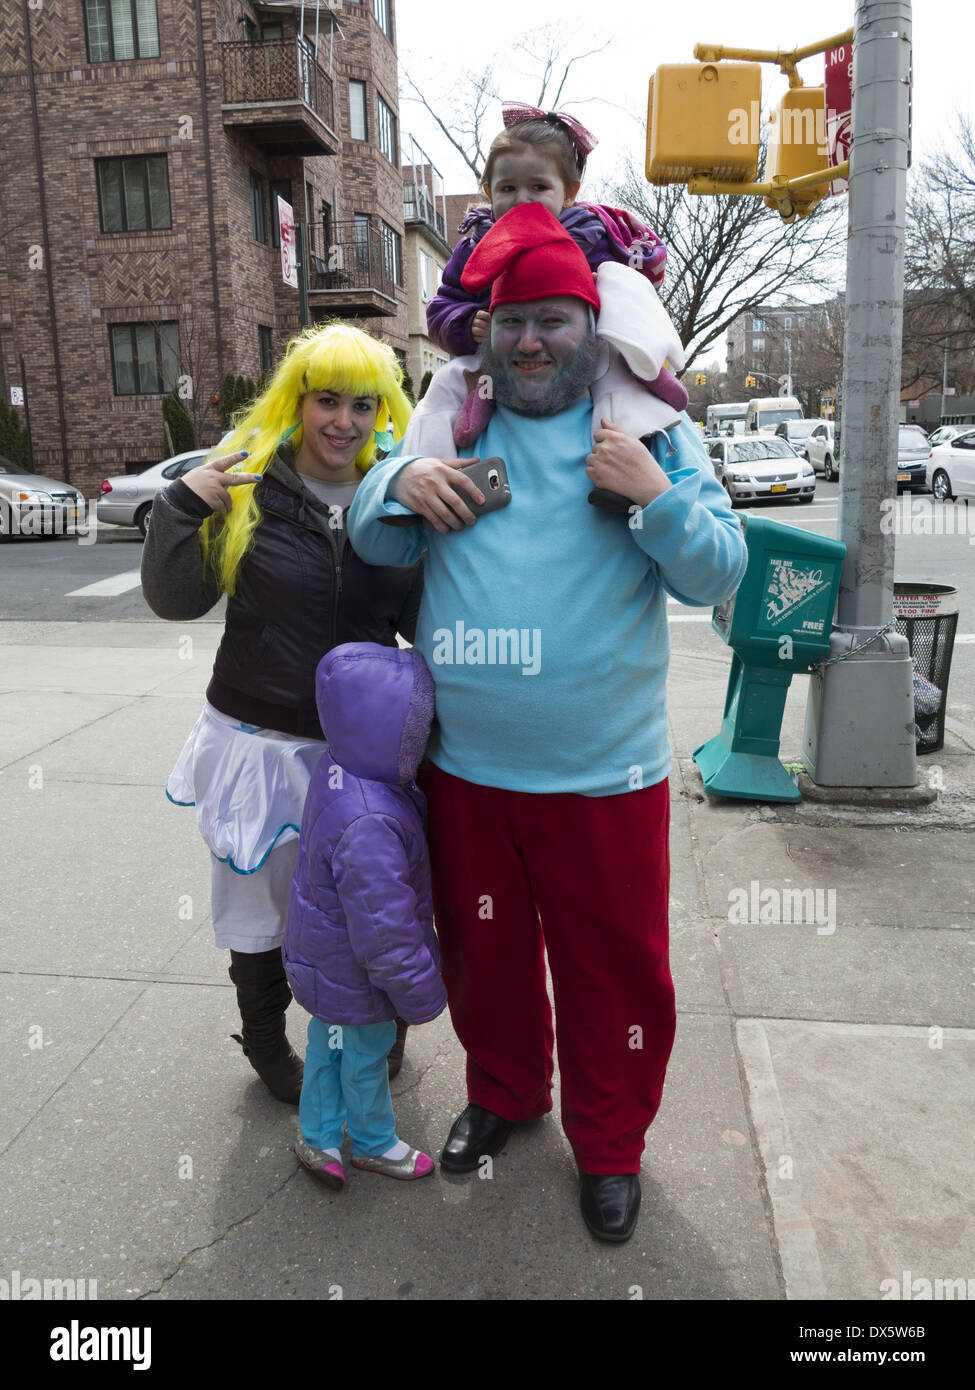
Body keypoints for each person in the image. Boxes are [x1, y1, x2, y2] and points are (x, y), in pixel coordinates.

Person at [347, 204, 748, 1243]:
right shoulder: (447, 421)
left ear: (591, 323)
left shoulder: (649, 429)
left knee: (615, 970)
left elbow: (720, 574)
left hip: (602, 777)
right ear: (484, 329)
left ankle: (611, 1146)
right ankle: (507, 1091)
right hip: (468, 772)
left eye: (553, 321)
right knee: (486, 959)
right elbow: (371, 538)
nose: (529, 341)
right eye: (511, 320)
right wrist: (398, 479)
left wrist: (656, 495)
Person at [140, 323, 422, 1106]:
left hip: (361, 755)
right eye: (327, 400)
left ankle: (372, 1036)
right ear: (296, 403)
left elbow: (428, 624)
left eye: (363, 404)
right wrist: (178, 507)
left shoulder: (395, 496)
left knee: (372, 900)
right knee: (258, 906)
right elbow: (175, 602)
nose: (344, 422)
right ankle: (267, 1043)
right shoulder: (247, 488)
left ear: (384, 411)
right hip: (259, 745)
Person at [284, 642, 447, 1187]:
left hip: (322, 959)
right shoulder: (372, 819)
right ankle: (375, 1142)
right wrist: (421, 993)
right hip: (357, 975)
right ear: (388, 732)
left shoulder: (340, 766)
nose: (423, 737)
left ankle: (318, 1135)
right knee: (364, 1055)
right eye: (416, 728)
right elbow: (385, 931)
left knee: (325, 1046)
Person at [426, 102, 687, 416]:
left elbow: (631, 291)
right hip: (503, 363)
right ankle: (477, 407)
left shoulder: (589, 237)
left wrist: (599, 288)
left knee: (615, 341)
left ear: (569, 192)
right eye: (507, 188)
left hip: (584, 366)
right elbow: (441, 308)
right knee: (455, 377)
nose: (522, 198)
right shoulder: (477, 246)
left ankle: (646, 371)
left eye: (539, 187)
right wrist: (466, 324)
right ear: (489, 192)